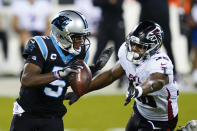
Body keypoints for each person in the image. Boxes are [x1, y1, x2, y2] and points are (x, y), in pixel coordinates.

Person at [9, 10, 113, 131]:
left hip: (53, 116)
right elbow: (27, 80)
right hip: (27, 113)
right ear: (61, 34)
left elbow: (72, 75)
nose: (81, 41)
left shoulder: (82, 53)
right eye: (76, 37)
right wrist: (60, 73)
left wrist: (93, 68)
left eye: (83, 37)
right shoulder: (41, 45)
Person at [66, 21, 179, 130]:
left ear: (153, 47)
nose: (134, 48)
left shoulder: (160, 62)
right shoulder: (126, 51)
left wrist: (138, 90)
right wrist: (84, 90)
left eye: (140, 46)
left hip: (162, 118)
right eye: (133, 43)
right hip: (139, 112)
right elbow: (111, 74)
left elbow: (155, 82)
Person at [137, 0, 177, 75]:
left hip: (162, 15)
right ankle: (138, 73)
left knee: (167, 44)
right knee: (142, 45)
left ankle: (174, 73)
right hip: (147, 15)